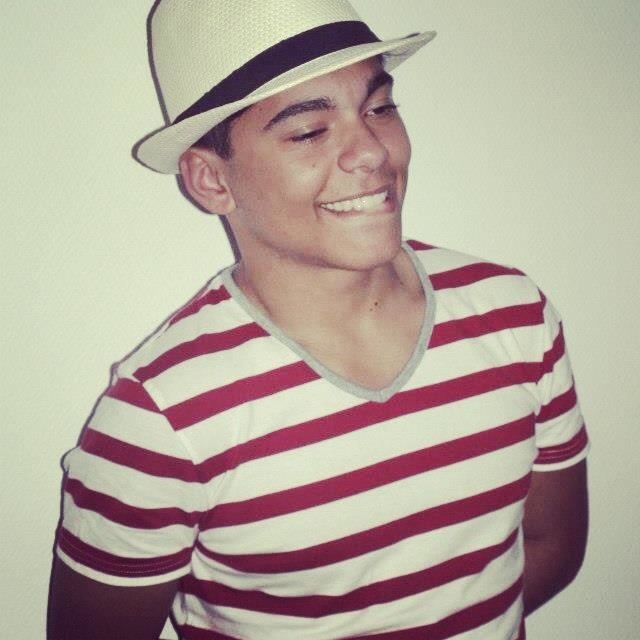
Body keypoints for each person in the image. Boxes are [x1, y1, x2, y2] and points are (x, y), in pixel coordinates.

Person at [47, 1, 589, 639]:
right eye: (309, 131)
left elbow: (553, 546)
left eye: (379, 108)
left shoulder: (514, 314)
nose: (372, 152)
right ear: (211, 180)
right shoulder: (162, 417)